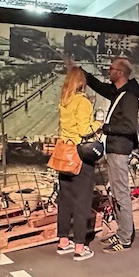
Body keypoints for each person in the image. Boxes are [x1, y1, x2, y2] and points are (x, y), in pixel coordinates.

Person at [76, 55, 139, 252]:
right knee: (117, 192)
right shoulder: (119, 92)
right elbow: (99, 86)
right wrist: (80, 70)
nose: (108, 71)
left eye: (111, 68)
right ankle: (123, 232)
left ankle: (124, 239)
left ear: (120, 73)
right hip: (115, 149)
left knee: (121, 193)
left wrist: (105, 128)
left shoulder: (128, 97)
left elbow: (129, 127)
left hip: (120, 150)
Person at [55, 67, 100, 260]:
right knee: (82, 201)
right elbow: (84, 129)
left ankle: (63, 242)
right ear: (82, 81)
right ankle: (80, 248)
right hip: (80, 154)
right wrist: (98, 123)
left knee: (65, 200)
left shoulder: (64, 101)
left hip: (64, 153)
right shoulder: (82, 101)